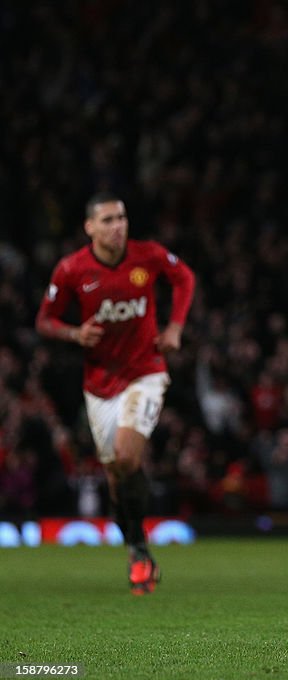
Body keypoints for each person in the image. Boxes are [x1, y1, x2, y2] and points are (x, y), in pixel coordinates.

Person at [35, 193, 195, 595]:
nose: (117, 225)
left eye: (121, 217)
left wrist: (174, 327)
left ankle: (139, 550)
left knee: (125, 456)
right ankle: (137, 548)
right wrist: (75, 333)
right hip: (100, 385)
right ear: (89, 227)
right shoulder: (72, 269)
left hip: (146, 372)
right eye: (107, 219)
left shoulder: (148, 256)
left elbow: (184, 278)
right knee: (116, 474)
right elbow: (44, 321)